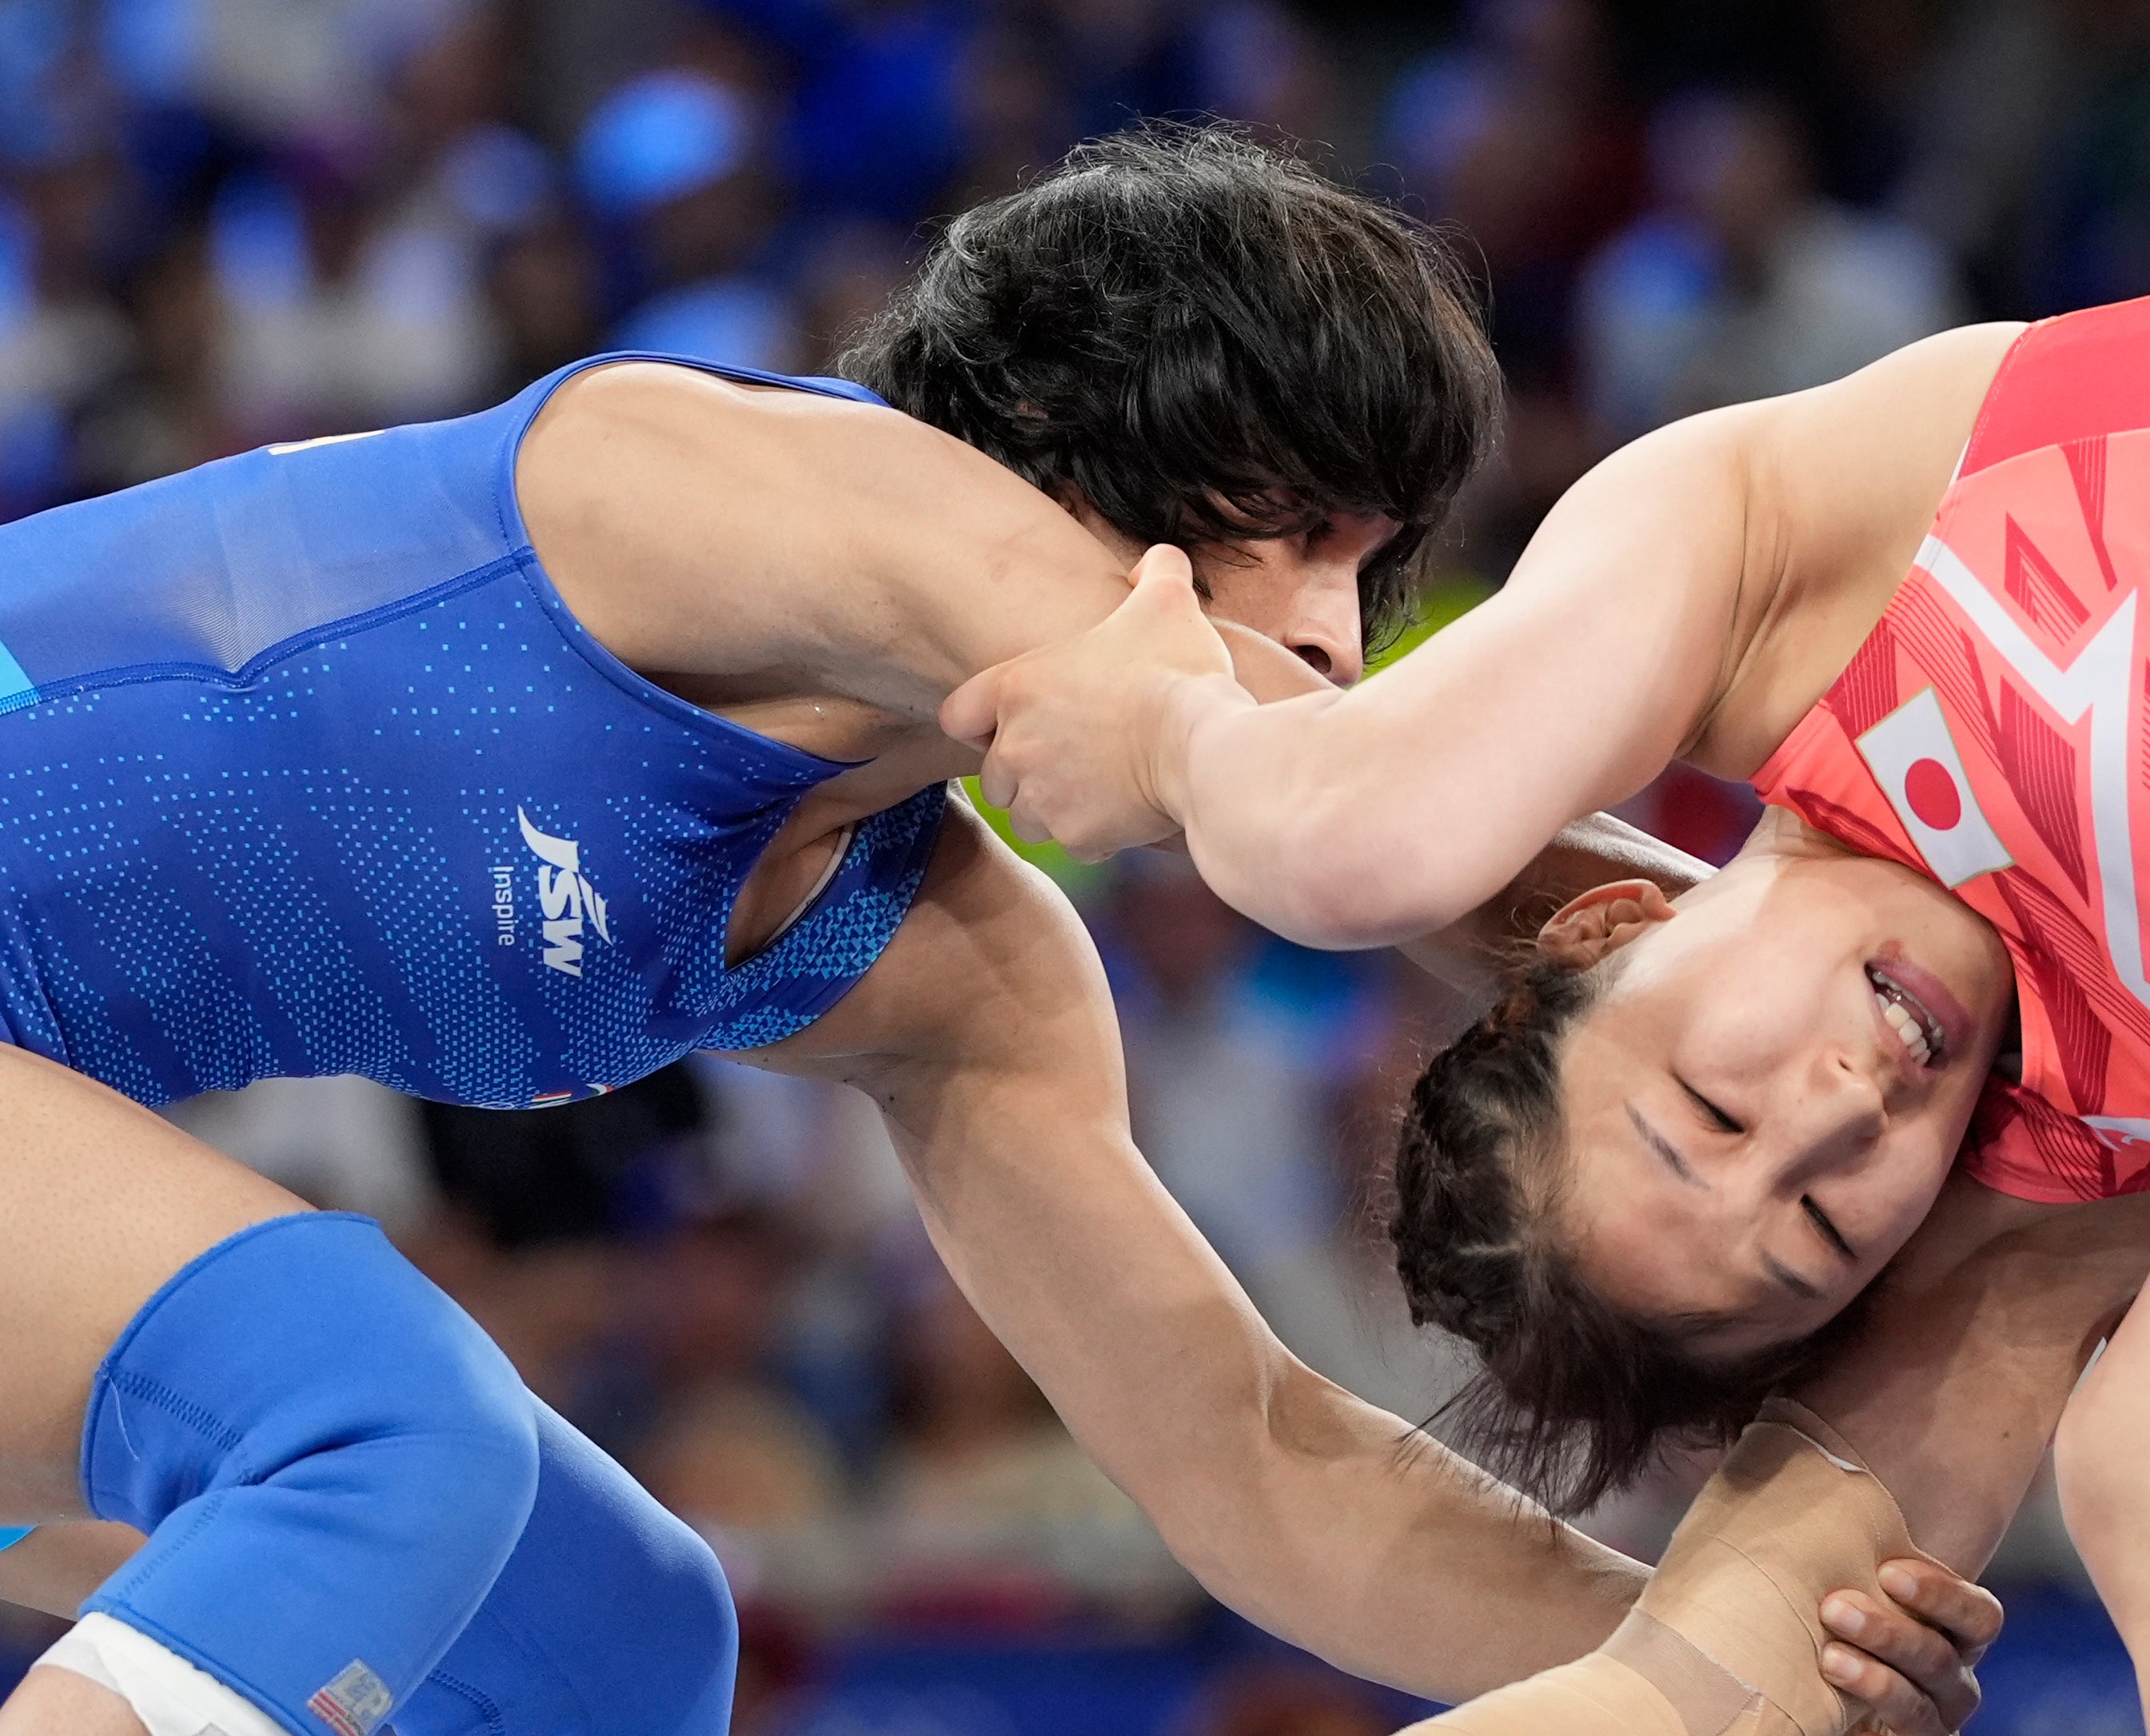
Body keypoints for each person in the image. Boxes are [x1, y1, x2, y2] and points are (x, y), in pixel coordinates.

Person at [0, 126, 2026, 1736]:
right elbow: (1353, 804)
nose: (1338, 631)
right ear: (1076, 461)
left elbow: (1259, 1472)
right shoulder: (746, 480)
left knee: (612, 1652)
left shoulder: (943, 963)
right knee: (385, 1430)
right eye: (1295, 529)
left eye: (1376, 564)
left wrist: (1726, 1660)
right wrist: (1863, 990)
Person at [950, 264, 2150, 1734]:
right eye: (1820, 1229)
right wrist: (1814, 1684)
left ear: (1605, 932)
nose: (1832, 1114)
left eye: (1711, 1115)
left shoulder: (1773, 579)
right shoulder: (2044, 1204)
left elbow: (1349, 839)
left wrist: (1163, 731)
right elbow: (1701, 1688)